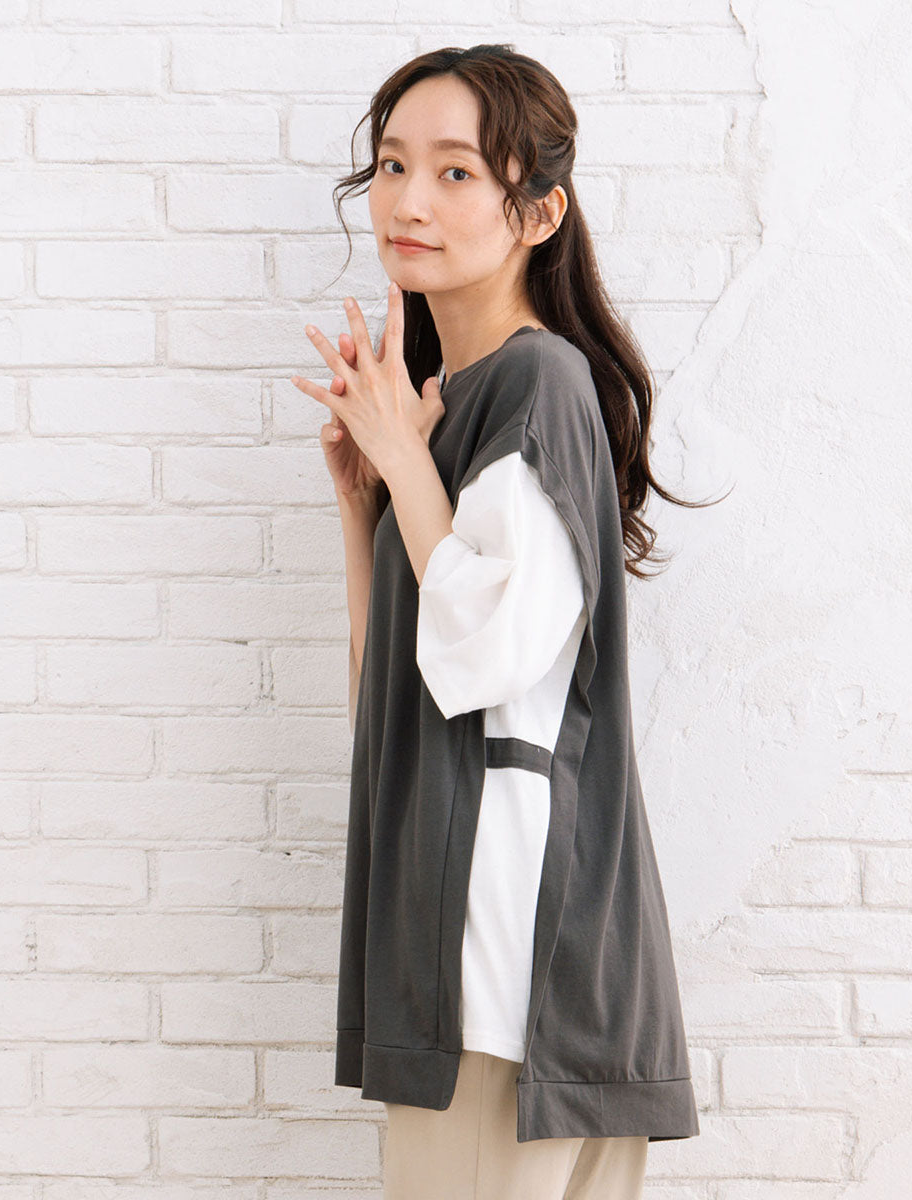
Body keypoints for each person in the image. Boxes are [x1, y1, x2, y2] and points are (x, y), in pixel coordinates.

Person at [291, 43, 717, 1200]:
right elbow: (393, 699)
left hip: (507, 967)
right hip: (497, 967)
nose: (407, 201)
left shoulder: (538, 383)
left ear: (538, 212)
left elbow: (486, 654)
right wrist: (367, 506)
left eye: (455, 172)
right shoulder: (460, 405)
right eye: (390, 165)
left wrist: (404, 465)